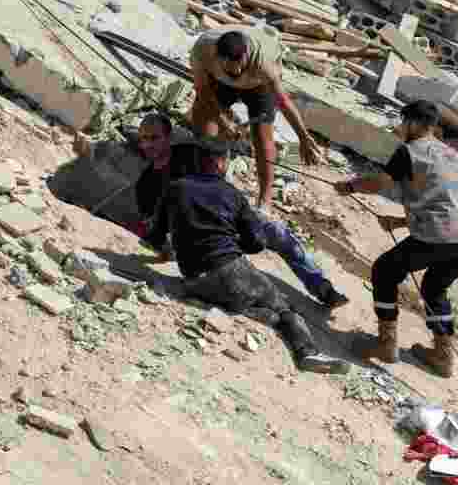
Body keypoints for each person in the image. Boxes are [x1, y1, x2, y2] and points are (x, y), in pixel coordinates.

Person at [143, 136, 349, 375]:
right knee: (285, 310)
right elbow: (258, 242)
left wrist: (169, 251)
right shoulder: (232, 195)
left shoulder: (174, 188)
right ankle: (307, 353)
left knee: (247, 301)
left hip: (193, 279)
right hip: (230, 269)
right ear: (220, 164)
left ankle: (258, 314)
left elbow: (154, 236)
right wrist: (235, 245)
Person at [333, 99, 458, 378]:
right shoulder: (453, 156)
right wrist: (400, 221)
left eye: (403, 121)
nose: (400, 126)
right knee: (434, 287)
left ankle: (386, 344)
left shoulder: (410, 152)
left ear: (414, 124)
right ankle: (442, 357)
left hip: (439, 234)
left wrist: (351, 185)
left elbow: (380, 184)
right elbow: (449, 201)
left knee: (385, 271)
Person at [133, 112, 349, 310]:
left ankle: (322, 288)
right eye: (143, 139)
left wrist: (230, 134)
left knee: (277, 232)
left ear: (169, 137)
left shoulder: (192, 153)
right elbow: (155, 230)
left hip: (228, 222)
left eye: (154, 138)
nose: (147, 144)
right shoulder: (145, 184)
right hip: (198, 242)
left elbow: (222, 166)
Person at [189, 25, 323, 212]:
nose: (235, 73)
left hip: (259, 85)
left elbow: (283, 102)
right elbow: (203, 90)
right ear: (218, 58)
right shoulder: (203, 50)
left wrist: (303, 136)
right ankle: (207, 175)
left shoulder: (264, 64)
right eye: (229, 68)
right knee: (202, 118)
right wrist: (222, 121)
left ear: (245, 56)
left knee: (262, 137)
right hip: (220, 82)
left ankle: (264, 200)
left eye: (238, 68)